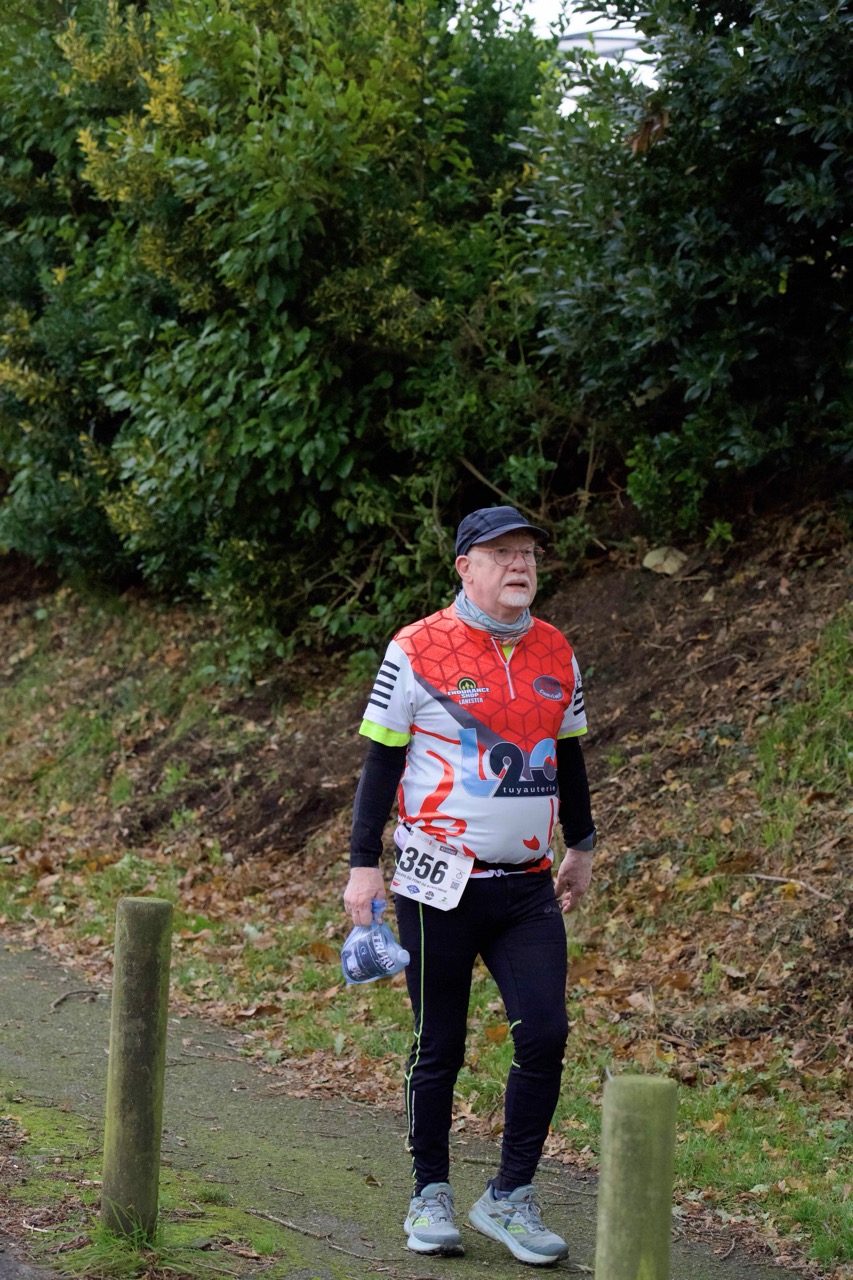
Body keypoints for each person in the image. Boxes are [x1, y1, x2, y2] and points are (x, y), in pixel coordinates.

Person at [343, 505, 596, 1266]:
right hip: (437, 884)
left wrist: (582, 844)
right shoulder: (414, 647)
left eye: (529, 554)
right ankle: (429, 1192)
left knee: (545, 1034)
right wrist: (362, 863)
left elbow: (570, 756)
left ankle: (510, 1196)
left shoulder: (557, 649)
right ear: (465, 566)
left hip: (528, 887)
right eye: (502, 553)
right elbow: (381, 761)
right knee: (439, 1044)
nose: (520, 565)